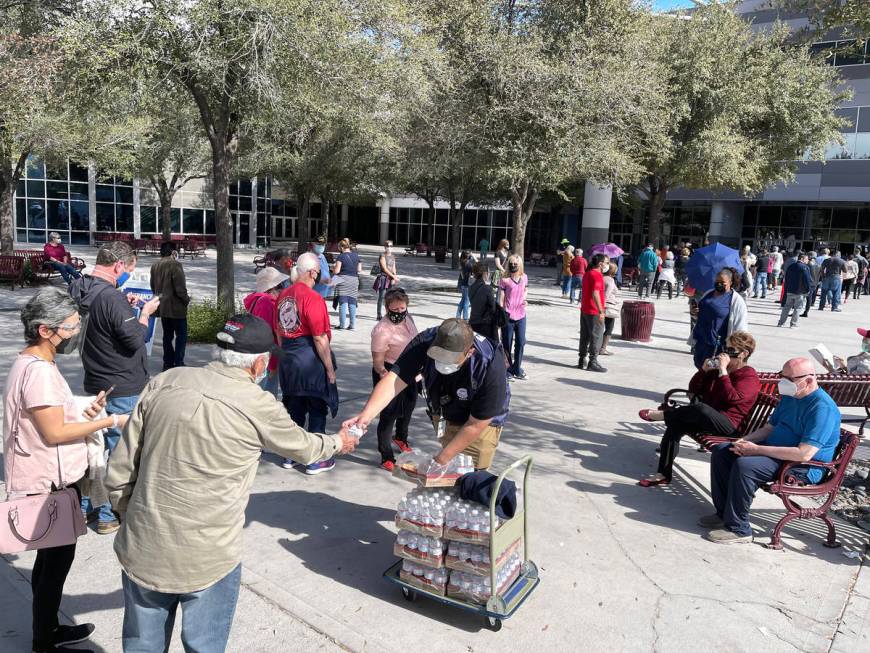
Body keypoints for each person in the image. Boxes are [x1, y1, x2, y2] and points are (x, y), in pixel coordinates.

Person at [105, 314, 357, 652]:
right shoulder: (257, 404)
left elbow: (120, 470)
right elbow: (307, 448)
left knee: (141, 644)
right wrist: (340, 442)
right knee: (203, 645)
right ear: (258, 365)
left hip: (143, 545)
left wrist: (132, 518)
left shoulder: (167, 381)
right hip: (209, 555)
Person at [4, 289, 127, 653]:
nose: (75, 333)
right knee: (55, 563)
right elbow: (53, 432)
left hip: (49, 476)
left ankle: (48, 628)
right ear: (45, 330)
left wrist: (82, 413)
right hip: (49, 481)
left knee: (50, 560)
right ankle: (44, 639)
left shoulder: (33, 362)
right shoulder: (38, 371)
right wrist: (109, 420)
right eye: (70, 327)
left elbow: (53, 418)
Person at [69, 241, 160, 535]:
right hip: (122, 384)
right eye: (129, 270)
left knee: (92, 448)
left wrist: (126, 305)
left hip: (94, 379)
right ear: (119, 266)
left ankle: (82, 507)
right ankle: (109, 513)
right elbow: (135, 340)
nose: (128, 275)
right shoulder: (112, 298)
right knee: (120, 450)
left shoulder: (81, 288)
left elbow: (107, 325)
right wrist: (144, 314)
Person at [703, 357, 841, 544]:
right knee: (723, 451)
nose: (782, 383)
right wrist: (744, 441)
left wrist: (757, 450)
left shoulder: (822, 408)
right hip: (776, 453)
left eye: (788, 379)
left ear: (808, 380)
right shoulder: (790, 397)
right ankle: (723, 514)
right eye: (781, 377)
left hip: (803, 466)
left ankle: (739, 529)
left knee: (746, 465)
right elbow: (768, 429)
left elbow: (804, 453)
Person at [344, 318, 509, 471]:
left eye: (449, 359)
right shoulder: (425, 342)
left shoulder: (490, 363)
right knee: (450, 469)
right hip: (445, 411)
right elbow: (394, 380)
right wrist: (364, 417)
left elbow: (475, 425)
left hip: (481, 424)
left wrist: (439, 461)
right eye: (439, 356)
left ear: (469, 352)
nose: (442, 363)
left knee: (471, 473)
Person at [637, 332, 760, 487]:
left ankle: (665, 414)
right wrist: (704, 371)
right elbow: (694, 389)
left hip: (729, 425)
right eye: (725, 349)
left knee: (701, 409)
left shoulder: (749, 376)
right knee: (676, 425)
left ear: (744, 354)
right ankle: (663, 474)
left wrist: (723, 371)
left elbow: (732, 398)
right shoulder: (720, 370)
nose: (725, 354)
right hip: (707, 419)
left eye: (730, 350)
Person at [274, 252, 338, 474]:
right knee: (317, 407)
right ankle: (315, 459)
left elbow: (279, 333)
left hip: (289, 359)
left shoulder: (283, 296)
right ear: (312, 272)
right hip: (309, 358)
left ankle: (290, 455)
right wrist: (329, 369)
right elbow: (320, 338)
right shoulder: (312, 298)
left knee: (294, 409)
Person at [370, 287, 419, 471]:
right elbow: (378, 362)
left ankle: (400, 437)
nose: (399, 313)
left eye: (402, 309)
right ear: (387, 308)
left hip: (411, 369)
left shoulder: (408, 319)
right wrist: (386, 381)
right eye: (395, 310)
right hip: (389, 370)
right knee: (389, 413)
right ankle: (386, 455)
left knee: (408, 406)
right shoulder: (382, 330)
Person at [243, 266, 289, 398]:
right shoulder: (267, 303)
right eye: (280, 285)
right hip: (265, 359)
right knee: (266, 398)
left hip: (257, 355)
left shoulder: (257, 300)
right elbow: (267, 336)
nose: (283, 288)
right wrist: (273, 364)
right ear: (272, 287)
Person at [689, 269, 748, 371]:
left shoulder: (737, 301)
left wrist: (736, 349)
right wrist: (695, 313)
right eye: (716, 281)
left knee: (713, 373)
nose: (718, 284)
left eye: (722, 282)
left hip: (718, 346)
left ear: (730, 282)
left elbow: (741, 327)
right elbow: (702, 314)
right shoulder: (708, 293)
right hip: (701, 340)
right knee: (700, 367)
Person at [150, 242, 190, 371]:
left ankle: (167, 363)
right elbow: (180, 288)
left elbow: (153, 287)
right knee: (181, 336)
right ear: (173, 252)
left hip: (163, 307)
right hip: (176, 307)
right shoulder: (175, 265)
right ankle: (178, 362)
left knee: (167, 336)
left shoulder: (155, 266)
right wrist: (186, 299)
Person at [578, 253, 609, 373]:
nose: (608, 265)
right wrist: (601, 311)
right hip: (594, 310)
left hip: (585, 309)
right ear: (600, 264)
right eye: (606, 262)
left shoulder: (587, 273)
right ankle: (593, 361)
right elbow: (595, 293)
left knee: (584, 335)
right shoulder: (596, 275)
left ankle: (582, 359)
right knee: (596, 336)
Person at [499, 254, 528, 380]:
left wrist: (525, 299)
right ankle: (507, 369)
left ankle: (517, 368)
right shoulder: (504, 279)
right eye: (511, 263)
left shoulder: (524, 277)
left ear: (520, 264)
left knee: (521, 342)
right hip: (508, 316)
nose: (513, 265)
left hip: (521, 315)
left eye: (516, 263)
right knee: (506, 344)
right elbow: (500, 298)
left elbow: (525, 290)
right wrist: (500, 313)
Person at [332, 238, 362, 330]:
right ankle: (352, 325)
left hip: (343, 280)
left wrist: (332, 269)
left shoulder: (341, 257)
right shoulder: (356, 256)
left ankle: (342, 325)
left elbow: (337, 271)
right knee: (352, 302)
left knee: (343, 302)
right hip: (354, 280)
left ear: (341, 247)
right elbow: (359, 270)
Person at [777, 253, 812, 328]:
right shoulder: (805, 267)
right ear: (802, 259)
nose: (807, 261)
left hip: (790, 290)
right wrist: (808, 290)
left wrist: (787, 288)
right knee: (798, 308)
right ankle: (793, 324)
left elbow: (786, 278)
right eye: (806, 259)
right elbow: (807, 280)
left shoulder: (791, 266)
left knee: (786, 307)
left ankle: (781, 323)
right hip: (800, 291)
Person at [469, 261, 499, 340]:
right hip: (485, 326)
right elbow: (493, 308)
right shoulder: (487, 288)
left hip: (472, 323)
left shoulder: (471, 288)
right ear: (485, 273)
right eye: (489, 271)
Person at [375, 240, 399, 320]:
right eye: (388, 246)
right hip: (383, 278)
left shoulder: (393, 256)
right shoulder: (382, 255)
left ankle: (389, 313)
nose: (389, 248)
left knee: (390, 297)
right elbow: (384, 268)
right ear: (385, 247)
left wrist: (394, 276)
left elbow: (394, 267)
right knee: (381, 297)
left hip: (390, 278)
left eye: (391, 246)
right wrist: (393, 276)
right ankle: (379, 314)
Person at [600, 262, 621, 356]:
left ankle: (593, 346)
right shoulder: (610, 280)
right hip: (608, 306)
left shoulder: (600, 277)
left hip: (598, 305)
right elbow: (606, 294)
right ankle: (603, 348)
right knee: (609, 328)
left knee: (598, 328)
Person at [801, 251, 821, 317]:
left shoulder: (807, 265)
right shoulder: (818, 265)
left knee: (800, 298)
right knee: (809, 299)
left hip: (806, 284)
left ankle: (797, 311)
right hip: (814, 284)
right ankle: (806, 312)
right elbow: (819, 276)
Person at [456, 251, 473, 320]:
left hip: (463, 283)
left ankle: (458, 315)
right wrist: (474, 257)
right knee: (466, 301)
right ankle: (465, 318)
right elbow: (478, 264)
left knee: (463, 300)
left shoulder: (462, 262)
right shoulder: (469, 264)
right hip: (467, 284)